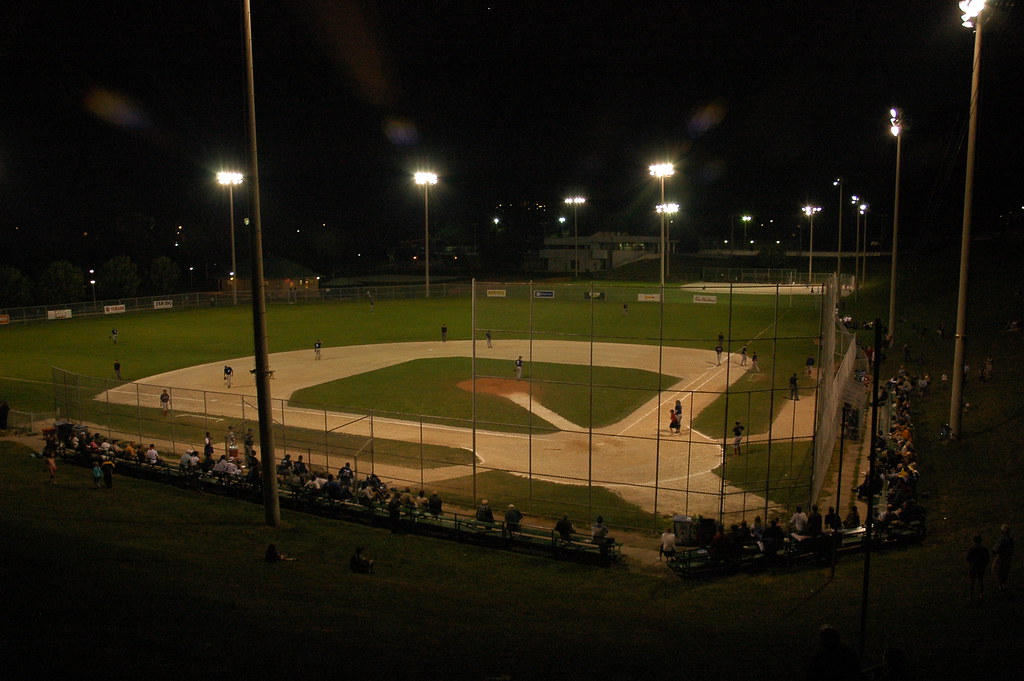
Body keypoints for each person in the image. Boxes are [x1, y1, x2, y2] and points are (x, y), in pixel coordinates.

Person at [992, 524, 1014, 594]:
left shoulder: (1001, 540)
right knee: (1005, 572)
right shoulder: (1011, 540)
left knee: (999, 572)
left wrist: (995, 553)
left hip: (1001, 558)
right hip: (1008, 558)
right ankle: (1004, 585)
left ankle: (1001, 586)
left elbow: (995, 549)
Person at [967, 534, 989, 601]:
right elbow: (987, 559)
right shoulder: (984, 549)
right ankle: (981, 594)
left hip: (973, 567)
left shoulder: (972, 549)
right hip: (981, 567)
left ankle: (971, 596)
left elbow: (968, 559)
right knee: (980, 580)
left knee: (972, 582)